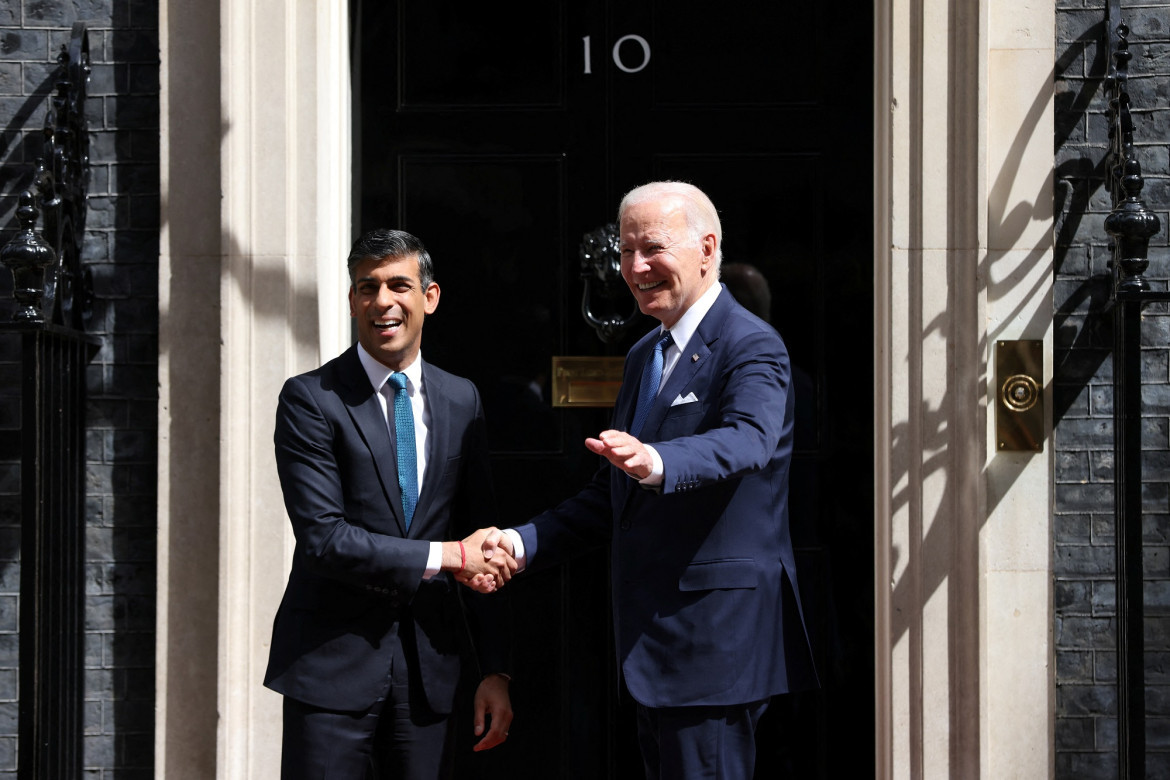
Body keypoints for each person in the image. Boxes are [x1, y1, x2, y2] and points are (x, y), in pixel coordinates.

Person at [474, 182, 817, 779]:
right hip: (654, 645)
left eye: (653, 248)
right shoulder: (644, 355)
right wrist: (522, 542)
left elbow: (749, 440)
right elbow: (614, 497)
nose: (635, 268)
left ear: (707, 249)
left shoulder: (751, 344)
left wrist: (657, 462)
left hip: (713, 640)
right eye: (626, 252)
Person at [264, 229, 517, 779]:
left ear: (429, 297)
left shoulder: (461, 398)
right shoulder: (311, 399)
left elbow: (483, 536)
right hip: (331, 665)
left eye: (398, 285)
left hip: (432, 670)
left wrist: (495, 670)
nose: (382, 302)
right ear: (353, 300)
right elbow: (325, 540)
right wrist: (450, 557)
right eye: (366, 287)